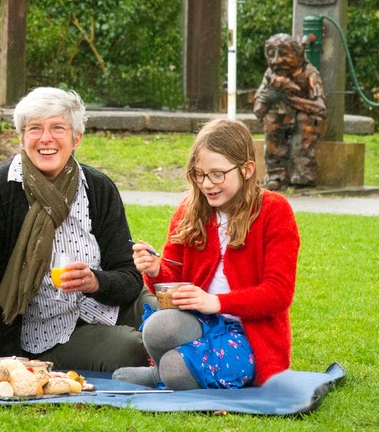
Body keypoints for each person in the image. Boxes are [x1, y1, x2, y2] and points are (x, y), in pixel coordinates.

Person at [0, 87, 149, 372]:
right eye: (35, 128)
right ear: (21, 137)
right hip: (49, 331)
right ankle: (165, 364)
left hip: (108, 303)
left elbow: (128, 275)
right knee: (132, 348)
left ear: (76, 138)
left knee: (169, 317)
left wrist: (94, 282)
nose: (46, 138)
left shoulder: (98, 187)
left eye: (57, 128)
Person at [113, 118, 300, 390]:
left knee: (177, 370)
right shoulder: (189, 210)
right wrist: (154, 269)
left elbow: (278, 294)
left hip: (249, 335)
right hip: (200, 321)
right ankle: (165, 371)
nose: (206, 184)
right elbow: (173, 281)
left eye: (217, 174)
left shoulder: (274, 211)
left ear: (247, 169)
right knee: (158, 327)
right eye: (199, 174)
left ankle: (164, 374)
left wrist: (216, 302)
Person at [253, 33, 327, 190]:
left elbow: (320, 109)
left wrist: (289, 98)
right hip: (282, 121)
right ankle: (276, 175)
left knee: (304, 120)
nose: (277, 60)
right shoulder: (269, 75)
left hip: (305, 123)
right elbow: (258, 111)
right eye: (271, 55)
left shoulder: (309, 73)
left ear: (299, 55)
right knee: (272, 121)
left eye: (284, 54)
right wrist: (269, 97)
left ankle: (303, 174)